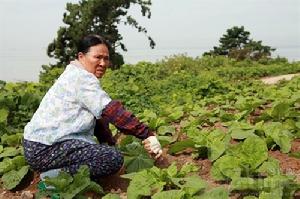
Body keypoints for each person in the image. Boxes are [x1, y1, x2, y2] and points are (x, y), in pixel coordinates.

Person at [23, 34, 162, 179]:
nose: (103, 63)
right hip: (45, 148)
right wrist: (147, 134)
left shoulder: (75, 73)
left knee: (108, 153)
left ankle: (54, 173)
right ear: (81, 56)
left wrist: (108, 144)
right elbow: (112, 111)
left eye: (106, 58)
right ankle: (50, 180)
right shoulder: (81, 78)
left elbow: (99, 118)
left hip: (40, 146)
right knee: (112, 159)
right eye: (98, 57)